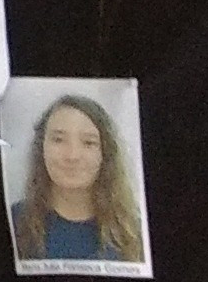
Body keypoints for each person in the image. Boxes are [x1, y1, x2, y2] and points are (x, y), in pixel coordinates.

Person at [8, 92, 145, 267]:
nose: (72, 155)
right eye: (58, 140)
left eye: (88, 143)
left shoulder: (135, 231)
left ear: (105, 154)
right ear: (41, 148)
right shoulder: (13, 221)